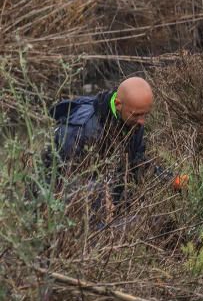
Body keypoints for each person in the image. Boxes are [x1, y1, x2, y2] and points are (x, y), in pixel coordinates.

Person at [47, 77, 180, 205]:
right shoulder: (83, 130)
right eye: (137, 115)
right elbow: (69, 183)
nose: (142, 121)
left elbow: (136, 160)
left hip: (106, 192)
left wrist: (169, 179)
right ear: (118, 105)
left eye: (146, 114)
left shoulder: (132, 119)